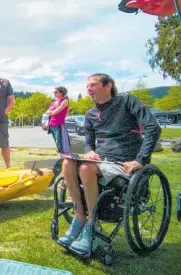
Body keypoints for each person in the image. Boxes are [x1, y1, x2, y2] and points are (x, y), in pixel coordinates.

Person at [59, 73, 160, 254]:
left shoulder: (127, 102)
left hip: (124, 162)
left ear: (108, 86)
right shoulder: (90, 114)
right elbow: (89, 141)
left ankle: (92, 226)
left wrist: (141, 159)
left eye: (93, 85)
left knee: (86, 167)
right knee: (67, 162)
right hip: (102, 162)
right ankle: (80, 218)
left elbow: (153, 127)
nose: (88, 89)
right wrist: (89, 150)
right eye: (87, 86)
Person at [45, 86, 72, 156]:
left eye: (56, 92)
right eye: (54, 92)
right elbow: (47, 112)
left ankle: (65, 160)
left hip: (59, 125)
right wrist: (52, 111)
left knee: (62, 144)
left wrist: (52, 111)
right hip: (52, 125)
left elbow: (56, 112)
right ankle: (61, 160)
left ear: (61, 93)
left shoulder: (65, 101)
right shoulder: (54, 102)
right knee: (58, 145)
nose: (54, 93)